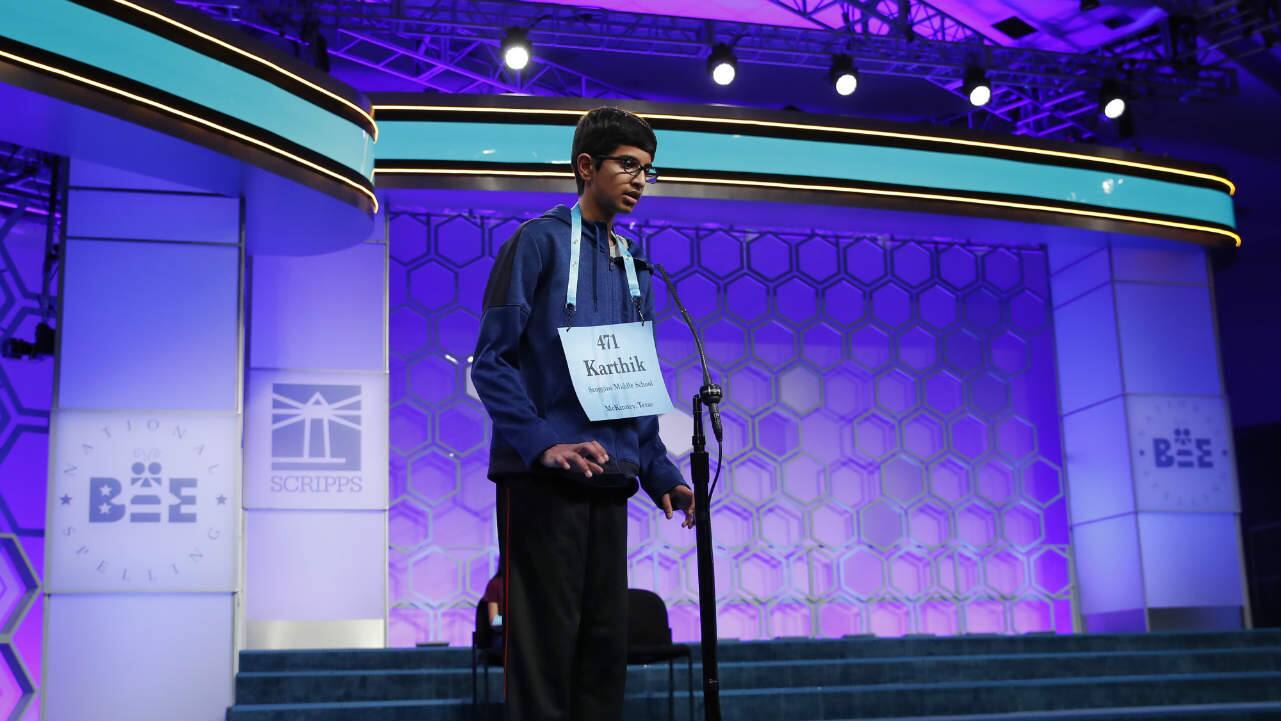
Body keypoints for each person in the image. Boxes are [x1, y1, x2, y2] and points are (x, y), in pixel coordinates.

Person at [471, 106, 695, 721]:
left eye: (648, 170)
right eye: (628, 165)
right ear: (586, 166)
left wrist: (661, 473)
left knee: (602, 654)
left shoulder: (632, 264)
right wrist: (544, 443)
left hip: (611, 478)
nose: (640, 180)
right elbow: (491, 362)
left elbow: (633, 383)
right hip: (543, 479)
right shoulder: (536, 243)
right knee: (543, 654)